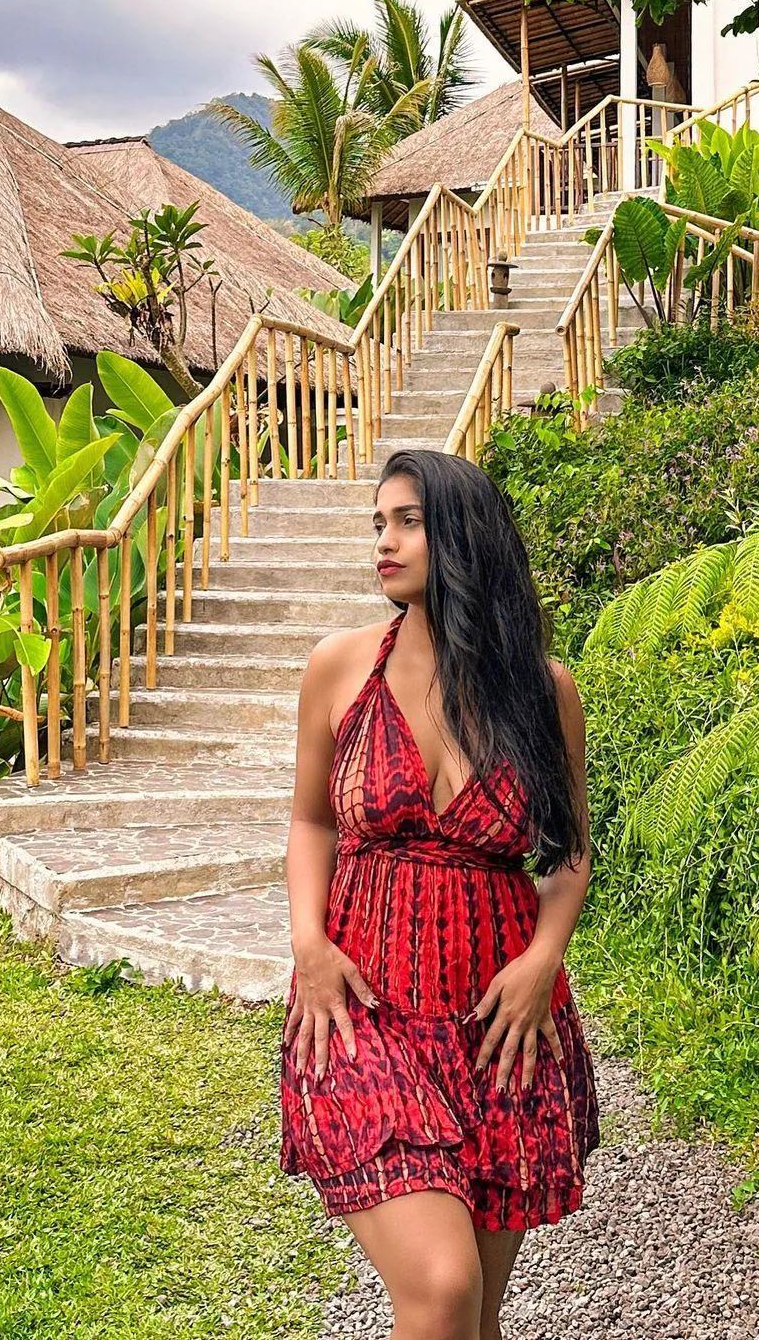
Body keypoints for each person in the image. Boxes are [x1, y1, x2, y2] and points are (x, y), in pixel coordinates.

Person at [278, 448, 600, 1340]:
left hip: (498, 1030)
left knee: (474, 1319)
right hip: (365, 1011)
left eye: (406, 521)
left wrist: (544, 958)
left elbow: (566, 856)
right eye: (377, 523)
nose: (383, 541)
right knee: (442, 1284)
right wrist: (308, 942)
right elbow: (313, 824)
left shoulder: (543, 691)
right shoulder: (339, 669)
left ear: (461, 531)